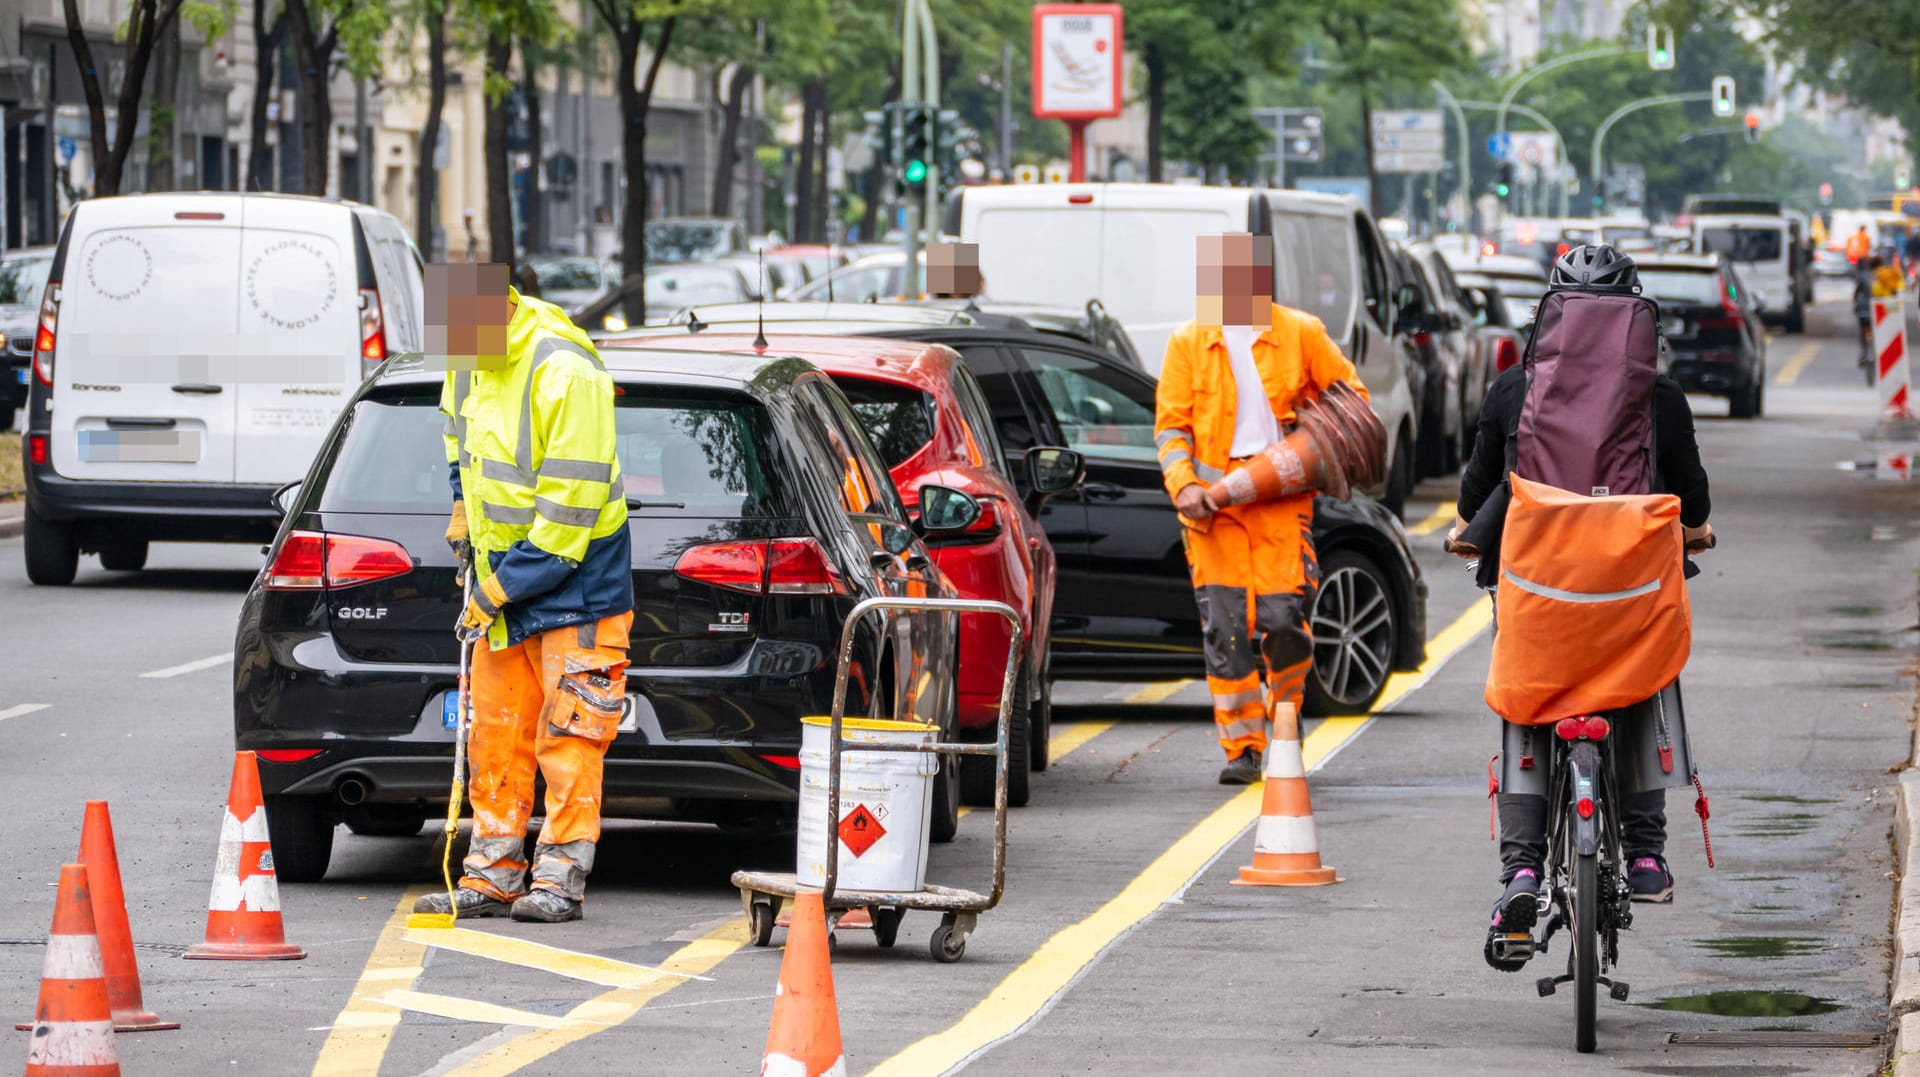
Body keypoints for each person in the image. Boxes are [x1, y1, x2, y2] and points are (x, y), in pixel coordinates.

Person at [1449, 245, 1712, 968]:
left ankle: (1524, 871)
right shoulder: (1660, 398)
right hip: (1629, 594)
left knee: (1526, 699)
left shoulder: (1513, 391)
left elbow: (1476, 499)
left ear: (1551, 316)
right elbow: (1694, 500)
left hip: (1540, 595)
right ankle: (1650, 853)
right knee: (1650, 666)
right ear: (1636, 319)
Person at [411, 263, 634, 924]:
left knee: (570, 735)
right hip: (504, 574)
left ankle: (560, 878)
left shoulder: (565, 372)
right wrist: (461, 506)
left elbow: (567, 522)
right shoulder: (467, 356)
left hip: (578, 582)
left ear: (497, 312)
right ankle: (493, 873)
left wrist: (494, 591)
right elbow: (460, 437)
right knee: (497, 734)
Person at [1155, 233, 1370, 784]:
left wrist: (1313, 440)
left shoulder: (1300, 334)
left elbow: (1352, 400)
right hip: (1213, 515)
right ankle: (1243, 749)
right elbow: (1172, 428)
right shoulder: (1188, 343)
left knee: (1284, 622)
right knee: (1225, 632)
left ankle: (1284, 720)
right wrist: (1183, 487)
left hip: (1280, 504)